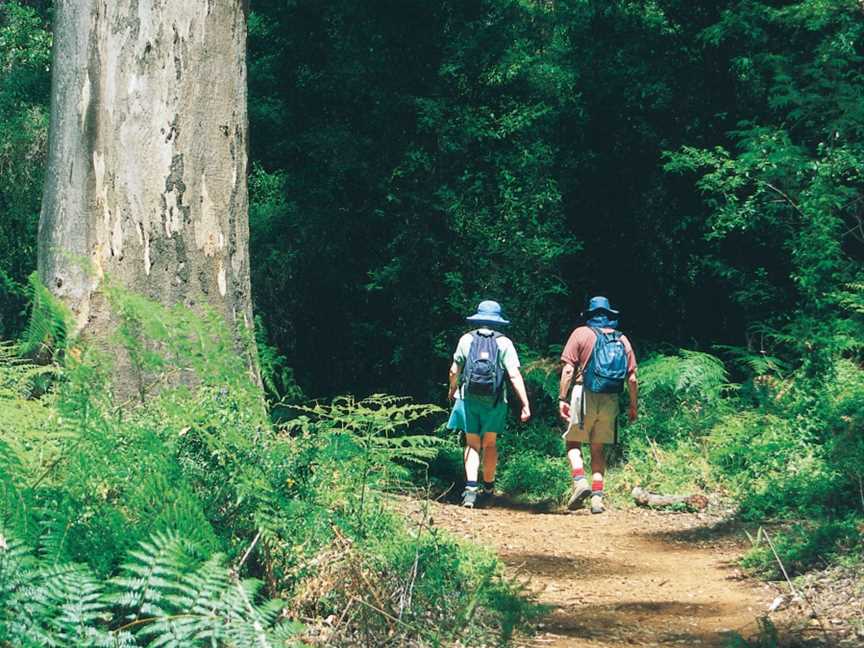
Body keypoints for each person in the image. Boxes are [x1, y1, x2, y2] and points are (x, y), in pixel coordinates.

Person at [447, 300, 531, 508]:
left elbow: (453, 370)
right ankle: (489, 487)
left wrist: (452, 390)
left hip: (468, 398)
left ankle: (470, 491)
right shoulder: (505, 343)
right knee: (490, 444)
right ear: (498, 321)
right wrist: (525, 404)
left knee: (472, 444)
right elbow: (514, 375)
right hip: (494, 401)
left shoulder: (466, 339)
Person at [558, 296, 638, 514]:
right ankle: (597, 499)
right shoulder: (622, 339)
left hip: (583, 393)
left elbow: (567, 370)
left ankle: (580, 481)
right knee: (598, 448)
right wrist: (633, 406)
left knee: (573, 442)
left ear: (590, 315)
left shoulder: (580, 333)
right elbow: (632, 379)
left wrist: (562, 398)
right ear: (609, 316)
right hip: (611, 397)